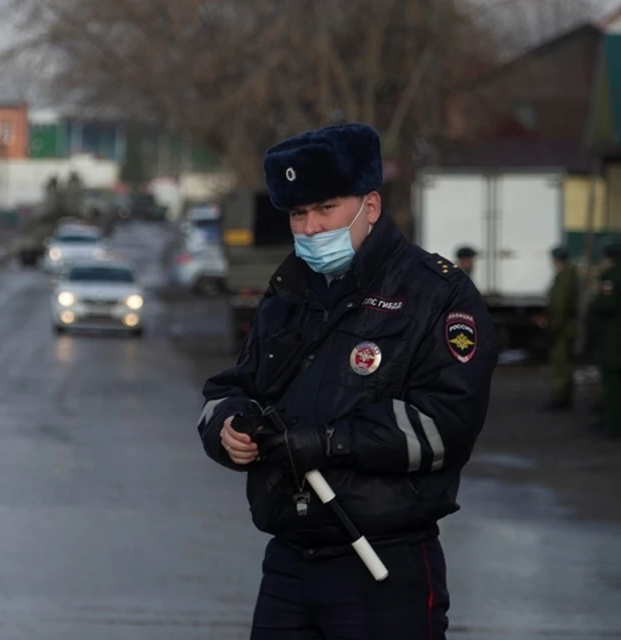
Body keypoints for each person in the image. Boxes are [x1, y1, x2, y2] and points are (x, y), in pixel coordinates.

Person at [197, 123, 499, 639]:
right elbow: (233, 386)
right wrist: (228, 427)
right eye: (298, 214)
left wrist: (330, 442)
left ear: (371, 208)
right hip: (289, 562)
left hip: (383, 562)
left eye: (326, 209)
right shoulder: (286, 292)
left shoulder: (436, 295)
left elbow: (447, 422)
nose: (311, 229)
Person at [587, 243, 621, 438]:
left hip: (612, 342)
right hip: (613, 341)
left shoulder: (613, 278)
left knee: (611, 387)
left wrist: (596, 300)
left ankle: (613, 425)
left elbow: (606, 304)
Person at [543, 246, 579, 411]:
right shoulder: (569, 275)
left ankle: (560, 399)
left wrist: (553, 328)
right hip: (567, 328)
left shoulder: (564, 277)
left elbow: (560, 305)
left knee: (561, 364)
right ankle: (564, 397)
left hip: (563, 329)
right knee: (565, 364)